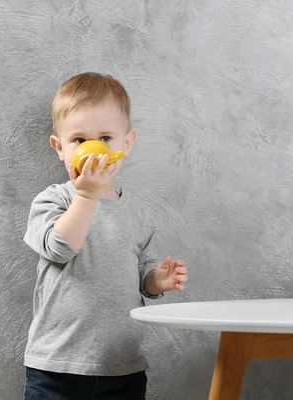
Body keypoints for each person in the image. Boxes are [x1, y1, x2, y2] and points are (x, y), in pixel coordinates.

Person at [22, 72, 188, 399]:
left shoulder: (138, 213)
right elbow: (59, 248)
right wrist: (86, 196)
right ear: (60, 148)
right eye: (80, 141)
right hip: (58, 367)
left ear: (126, 144)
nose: (94, 149)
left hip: (122, 367)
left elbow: (142, 276)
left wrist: (157, 280)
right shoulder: (54, 200)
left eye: (106, 139)